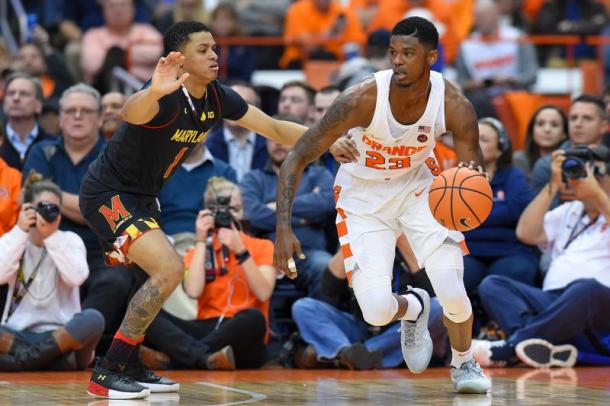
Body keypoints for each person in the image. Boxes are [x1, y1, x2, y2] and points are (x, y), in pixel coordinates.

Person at [78, 21, 312, 399]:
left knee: (149, 284)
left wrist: (331, 138)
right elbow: (132, 113)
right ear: (179, 58)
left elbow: (272, 127)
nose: (214, 55)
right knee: (169, 268)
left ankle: (131, 362)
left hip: (144, 199)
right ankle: (109, 368)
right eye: (203, 49)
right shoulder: (162, 93)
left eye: (214, 48)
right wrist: (152, 90)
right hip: (109, 194)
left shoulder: (217, 97)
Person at [273, 17, 491, 394]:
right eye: (394, 53)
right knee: (375, 309)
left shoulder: (453, 103)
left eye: (409, 53)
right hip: (362, 199)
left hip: (418, 190)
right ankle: (414, 307)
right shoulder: (362, 98)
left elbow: (474, 173)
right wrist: (283, 228)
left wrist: (471, 190)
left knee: (453, 288)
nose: (399, 60)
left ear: (432, 57)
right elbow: (295, 157)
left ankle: (463, 362)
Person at [472, 149, 610, 368]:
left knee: (586, 288)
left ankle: (511, 347)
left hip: (599, 303)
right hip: (555, 303)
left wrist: (597, 194)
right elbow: (526, 233)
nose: (585, 178)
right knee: (493, 284)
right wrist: (553, 184)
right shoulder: (570, 210)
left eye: (596, 173)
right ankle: (541, 347)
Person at [143, 177, 275, 370]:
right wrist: (201, 241)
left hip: (243, 336)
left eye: (235, 210)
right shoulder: (197, 251)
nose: (228, 217)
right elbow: (193, 291)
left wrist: (241, 251)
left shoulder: (262, 246)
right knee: (146, 315)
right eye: (220, 212)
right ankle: (205, 358)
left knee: (254, 318)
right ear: (207, 213)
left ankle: (180, 359)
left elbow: (263, 292)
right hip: (207, 326)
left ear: (243, 211)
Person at [0, 174, 104, 371]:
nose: (46, 212)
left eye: (52, 208)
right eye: (40, 207)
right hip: (17, 333)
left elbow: (77, 277)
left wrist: (51, 237)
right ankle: (52, 361)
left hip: (63, 335)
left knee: (93, 319)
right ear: (26, 208)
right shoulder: (13, 239)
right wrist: (20, 231)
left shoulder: (70, 240)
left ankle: (20, 362)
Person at [462, 118, 538, 292]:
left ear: (500, 149)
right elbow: (448, 218)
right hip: (469, 251)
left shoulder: (513, 175)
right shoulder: (457, 178)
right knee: (453, 274)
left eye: (484, 139)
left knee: (510, 274)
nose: (476, 144)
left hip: (510, 250)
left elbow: (515, 210)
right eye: (472, 139)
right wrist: (496, 211)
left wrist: (471, 216)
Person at [512, 105, 568, 179]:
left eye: (554, 125)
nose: (547, 129)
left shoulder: (571, 161)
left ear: (564, 133)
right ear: (532, 130)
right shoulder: (518, 160)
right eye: (540, 124)